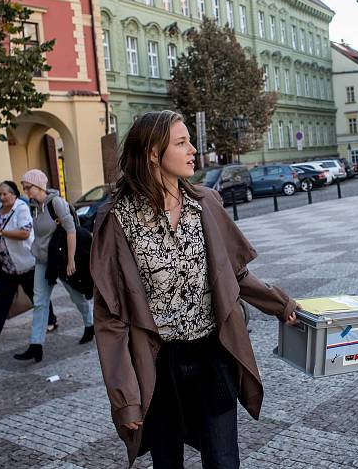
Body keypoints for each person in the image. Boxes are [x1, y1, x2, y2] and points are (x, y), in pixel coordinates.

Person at [91, 110, 299, 468]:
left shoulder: (205, 203)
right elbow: (110, 318)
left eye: (190, 140)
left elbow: (235, 275)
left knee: (223, 461)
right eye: (182, 142)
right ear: (154, 154)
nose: (193, 150)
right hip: (157, 366)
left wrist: (281, 304)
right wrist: (126, 399)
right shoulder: (117, 220)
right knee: (167, 463)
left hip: (212, 355)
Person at [13, 169, 93, 363]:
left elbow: (71, 230)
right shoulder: (36, 207)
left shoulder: (56, 203)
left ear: (39, 185)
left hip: (61, 259)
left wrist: (71, 260)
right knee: (40, 302)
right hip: (42, 261)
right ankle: (36, 345)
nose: (26, 191)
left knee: (76, 296)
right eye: (24, 188)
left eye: (28, 187)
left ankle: (90, 324)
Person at [0, 180, 57, 344]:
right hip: (7, 265)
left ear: (14, 194)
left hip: (25, 263)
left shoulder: (21, 208)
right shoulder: (0, 208)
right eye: (0, 194)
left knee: (36, 296)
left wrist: (0, 232)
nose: (2, 197)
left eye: (5, 194)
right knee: (2, 299)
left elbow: (25, 233)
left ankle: (51, 320)